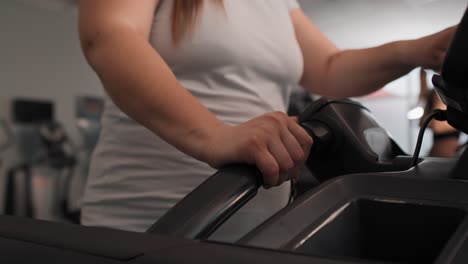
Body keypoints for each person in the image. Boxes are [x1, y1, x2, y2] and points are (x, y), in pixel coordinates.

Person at [78, 0, 456, 240]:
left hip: (255, 220)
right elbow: (110, 35)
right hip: (155, 218)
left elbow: (329, 68)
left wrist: (419, 50)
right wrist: (213, 136)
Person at [419, 69, 460, 157]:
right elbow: (436, 126)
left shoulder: (437, 92)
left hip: (441, 150)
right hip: (444, 151)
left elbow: (426, 123)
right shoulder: (439, 92)